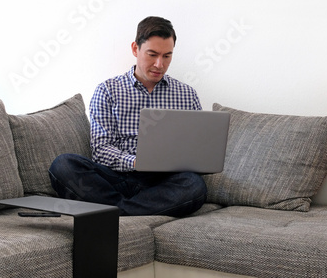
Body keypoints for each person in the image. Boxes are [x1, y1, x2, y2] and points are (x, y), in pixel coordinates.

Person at [48, 16, 207, 217]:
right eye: (152, 54)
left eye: (167, 56)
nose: (159, 64)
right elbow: (101, 150)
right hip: (115, 178)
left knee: (194, 185)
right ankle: (134, 209)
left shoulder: (187, 94)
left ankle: (113, 211)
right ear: (135, 49)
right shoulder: (108, 90)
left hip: (161, 183)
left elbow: (196, 151)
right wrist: (135, 162)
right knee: (63, 166)